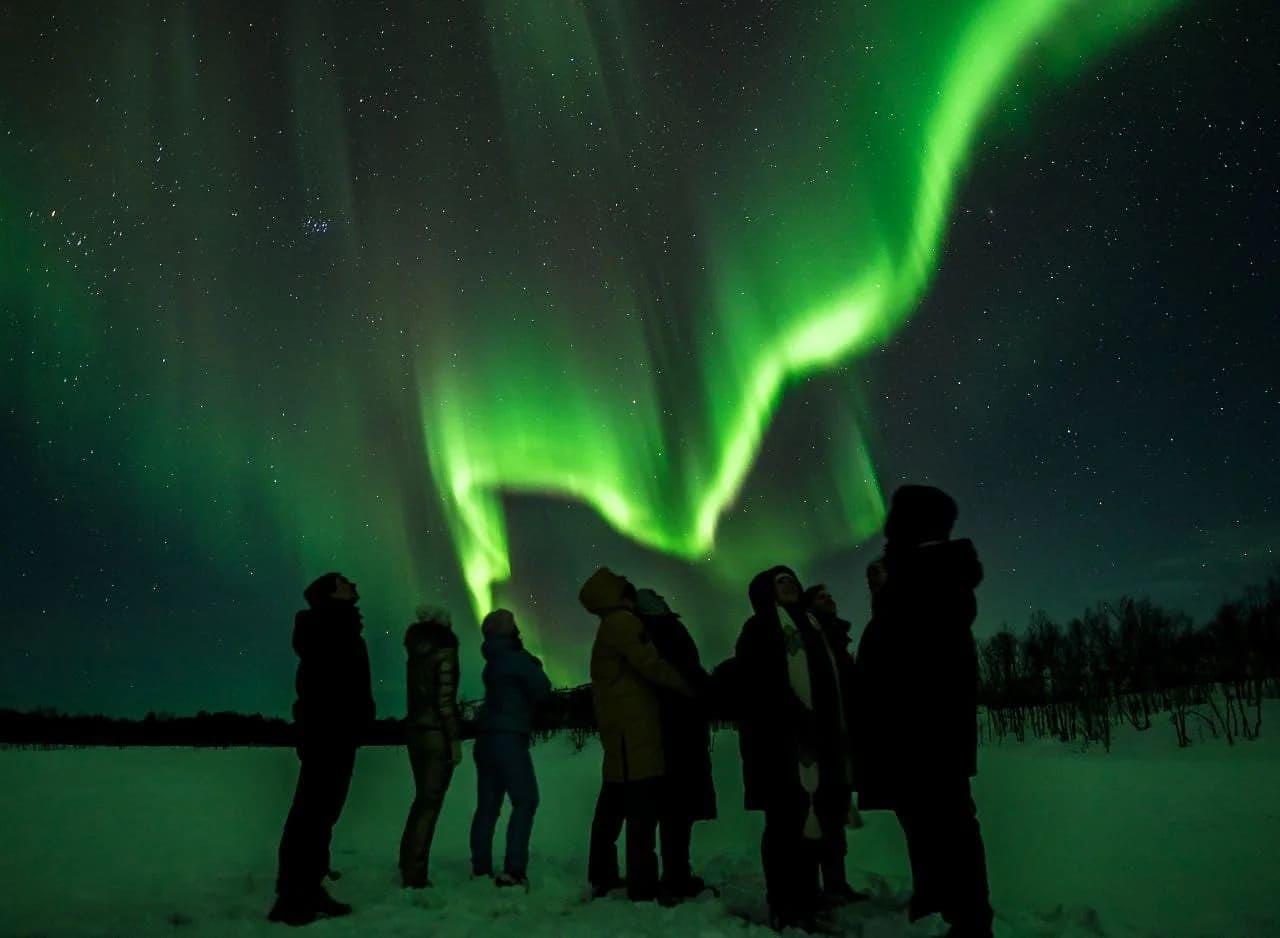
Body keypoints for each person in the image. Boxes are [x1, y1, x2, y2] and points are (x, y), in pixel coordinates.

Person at [853, 485, 993, 938]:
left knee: (948, 824)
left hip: (926, 729)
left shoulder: (929, 576)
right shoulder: (927, 575)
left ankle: (970, 920)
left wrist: (887, 591)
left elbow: (910, 650)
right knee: (925, 823)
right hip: (917, 728)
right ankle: (938, 901)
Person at [733, 566, 851, 932]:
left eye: (792, 579)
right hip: (779, 745)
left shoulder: (812, 626)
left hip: (821, 740)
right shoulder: (759, 628)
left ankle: (807, 897)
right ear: (766, 591)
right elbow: (760, 685)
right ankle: (785, 904)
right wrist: (800, 720)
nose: (789, 584)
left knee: (812, 821)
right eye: (780, 580)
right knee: (785, 825)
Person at [580, 567, 692, 902]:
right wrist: (687, 686)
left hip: (622, 733)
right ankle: (642, 884)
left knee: (612, 809)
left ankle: (603, 873)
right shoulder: (623, 623)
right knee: (641, 812)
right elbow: (650, 663)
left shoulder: (609, 625)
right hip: (635, 733)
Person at [270, 572, 375, 926]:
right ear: (331, 594)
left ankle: (309, 888)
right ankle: (292, 897)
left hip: (338, 734)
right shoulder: (326, 627)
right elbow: (323, 685)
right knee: (310, 816)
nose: (353, 584)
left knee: (322, 815)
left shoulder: (341, 627)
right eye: (344, 582)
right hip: (326, 734)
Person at [633, 588, 717, 899]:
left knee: (674, 808)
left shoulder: (647, 634)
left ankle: (673, 872)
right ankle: (675, 875)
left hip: (673, 729)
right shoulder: (664, 631)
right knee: (677, 807)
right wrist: (703, 692)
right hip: (679, 729)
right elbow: (684, 672)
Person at [469, 609, 553, 888]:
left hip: (486, 739)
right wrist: (533, 663)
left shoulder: (493, 660)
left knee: (487, 806)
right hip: (509, 739)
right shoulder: (516, 659)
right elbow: (542, 689)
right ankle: (514, 870)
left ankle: (480, 867)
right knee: (525, 800)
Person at [802, 584, 868, 907]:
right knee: (822, 811)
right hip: (822, 742)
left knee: (835, 811)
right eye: (821, 596)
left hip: (841, 740)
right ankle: (818, 885)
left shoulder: (836, 638)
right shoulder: (813, 639)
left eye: (830, 595)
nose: (830, 599)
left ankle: (835, 882)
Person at [398, 605, 462, 889]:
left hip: (416, 732)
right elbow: (445, 701)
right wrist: (454, 739)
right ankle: (414, 874)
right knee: (429, 804)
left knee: (421, 801)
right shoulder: (445, 650)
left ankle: (408, 864)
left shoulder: (415, 653)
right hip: (436, 734)